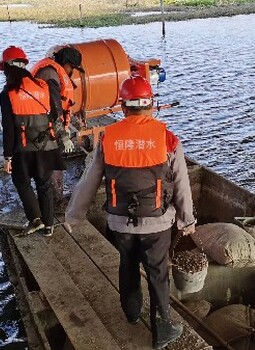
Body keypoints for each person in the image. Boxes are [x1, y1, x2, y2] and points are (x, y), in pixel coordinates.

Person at [64, 75, 196, 349]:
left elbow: (89, 180)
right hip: (157, 223)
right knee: (158, 273)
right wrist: (187, 220)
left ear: (123, 107)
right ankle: (162, 329)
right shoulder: (168, 138)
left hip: (120, 223)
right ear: (150, 105)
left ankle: (132, 314)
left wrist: (74, 215)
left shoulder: (109, 138)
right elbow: (182, 183)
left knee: (128, 267)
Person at [0, 46, 65, 236]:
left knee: (21, 180)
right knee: (44, 184)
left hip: (23, 148)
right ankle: (49, 226)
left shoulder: (7, 93)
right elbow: (54, 114)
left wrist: (8, 158)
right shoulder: (42, 86)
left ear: (7, 68)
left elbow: (9, 128)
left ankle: (35, 219)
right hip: (47, 146)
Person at [31, 46, 85, 212]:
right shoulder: (50, 76)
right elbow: (54, 108)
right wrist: (63, 135)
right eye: (72, 68)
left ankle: (52, 201)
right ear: (66, 63)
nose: (72, 72)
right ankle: (55, 204)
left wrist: (74, 120)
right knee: (52, 165)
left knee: (50, 165)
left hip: (43, 126)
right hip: (43, 129)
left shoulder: (51, 71)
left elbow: (62, 105)